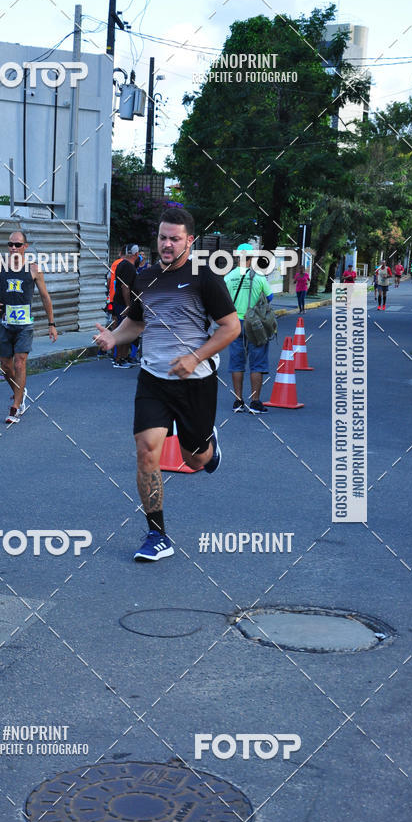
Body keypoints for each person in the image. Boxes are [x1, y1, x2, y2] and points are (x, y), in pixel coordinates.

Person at [93, 207, 240, 563]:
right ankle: (156, 534)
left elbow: (231, 328)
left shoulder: (205, 278)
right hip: (153, 378)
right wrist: (114, 337)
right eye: (162, 237)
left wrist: (195, 357)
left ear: (190, 240)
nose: (167, 244)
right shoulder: (144, 278)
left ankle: (209, 446)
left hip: (195, 381)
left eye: (175, 238)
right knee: (146, 451)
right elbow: (138, 324)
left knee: (195, 458)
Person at [0, 230, 57, 424]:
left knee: (19, 362)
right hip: (5, 323)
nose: (14, 248)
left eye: (18, 244)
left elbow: (45, 297)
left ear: (26, 246)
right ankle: (20, 391)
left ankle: (15, 408)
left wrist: (52, 324)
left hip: (25, 325)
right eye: (11, 245)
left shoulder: (34, 269)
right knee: (6, 366)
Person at [225, 247, 274, 414]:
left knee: (237, 363)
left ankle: (238, 401)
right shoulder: (259, 277)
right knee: (257, 363)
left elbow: (222, 300)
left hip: (234, 324)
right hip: (255, 324)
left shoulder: (228, 277)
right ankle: (255, 402)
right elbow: (269, 297)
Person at [111, 244, 138, 368]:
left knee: (126, 331)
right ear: (135, 254)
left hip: (120, 302)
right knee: (124, 331)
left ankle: (123, 357)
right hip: (123, 303)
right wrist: (128, 305)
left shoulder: (123, 264)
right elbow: (125, 286)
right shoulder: (128, 267)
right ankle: (119, 359)